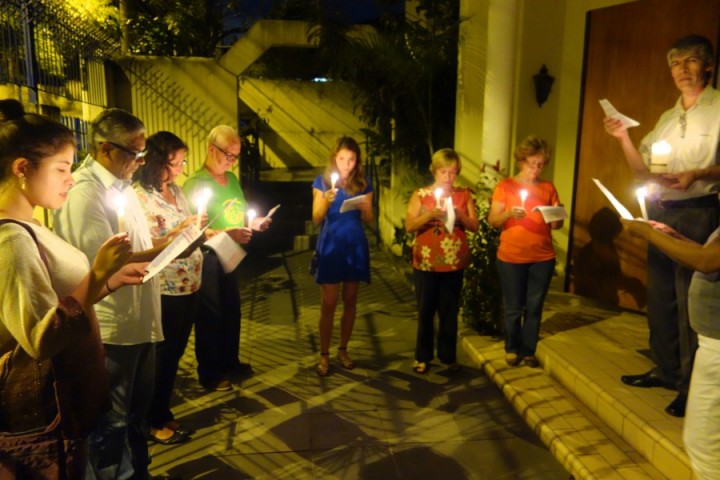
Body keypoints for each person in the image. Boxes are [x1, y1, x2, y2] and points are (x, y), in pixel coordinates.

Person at [0, 100, 145, 477]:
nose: (70, 178)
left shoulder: (31, 224)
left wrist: (109, 281)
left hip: (76, 404)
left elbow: (62, 298)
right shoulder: (12, 240)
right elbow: (40, 337)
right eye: (62, 168)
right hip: (52, 413)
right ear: (21, 169)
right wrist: (96, 275)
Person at [604, 34, 720, 417]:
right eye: (675, 63)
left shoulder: (719, 108)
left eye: (690, 61)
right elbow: (643, 169)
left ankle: (690, 384)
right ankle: (666, 369)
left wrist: (699, 173)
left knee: (689, 301)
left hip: (698, 211)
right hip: (661, 209)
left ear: (706, 65)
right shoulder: (668, 118)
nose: (682, 70)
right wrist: (623, 137)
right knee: (661, 299)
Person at [53, 108, 172, 479]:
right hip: (113, 326)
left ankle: (140, 473)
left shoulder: (123, 188)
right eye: (133, 154)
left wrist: (171, 240)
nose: (139, 162)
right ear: (105, 149)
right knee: (112, 422)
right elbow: (100, 266)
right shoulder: (86, 193)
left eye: (142, 154)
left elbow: (135, 245)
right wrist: (166, 248)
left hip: (140, 319)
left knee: (137, 414)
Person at [622, 218, 720, 480]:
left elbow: (707, 262)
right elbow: (707, 254)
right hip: (712, 342)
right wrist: (674, 237)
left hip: (718, 348)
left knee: (704, 444)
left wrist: (648, 234)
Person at [183, 125, 265, 391]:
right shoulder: (195, 184)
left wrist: (253, 224)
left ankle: (230, 361)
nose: (232, 161)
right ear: (211, 149)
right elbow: (191, 229)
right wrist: (225, 232)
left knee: (231, 309)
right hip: (208, 256)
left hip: (229, 253)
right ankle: (210, 371)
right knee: (210, 314)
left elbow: (238, 214)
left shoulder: (231, 180)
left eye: (235, 156)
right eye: (228, 155)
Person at [134, 131, 203, 445]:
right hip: (166, 286)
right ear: (157, 161)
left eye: (182, 162)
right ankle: (150, 420)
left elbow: (189, 225)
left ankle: (162, 410)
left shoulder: (176, 189)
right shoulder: (139, 197)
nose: (180, 169)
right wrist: (178, 230)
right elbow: (144, 244)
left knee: (175, 353)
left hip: (190, 282)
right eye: (174, 163)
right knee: (162, 354)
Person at [488, 136, 563, 368]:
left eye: (541, 164)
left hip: (542, 257)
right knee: (513, 307)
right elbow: (492, 219)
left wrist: (555, 215)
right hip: (511, 257)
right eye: (532, 163)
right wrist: (509, 213)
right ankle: (512, 348)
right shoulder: (506, 186)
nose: (536, 169)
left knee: (535, 306)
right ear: (521, 161)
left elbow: (556, 225)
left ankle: (528, 349)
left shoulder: (547, 187)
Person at [404, 148, 479, 374]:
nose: (448, 177)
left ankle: (448, 356)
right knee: (426, 309)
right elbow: (409, 225)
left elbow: (474, 226)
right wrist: (429, 215)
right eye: (444, 172)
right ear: (435, 171)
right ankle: (423, 356)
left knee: (449, 309)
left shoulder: (464, 194)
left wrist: (460, 214)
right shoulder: (421, 194)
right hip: (426, 259)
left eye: (453, 172)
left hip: (453, 260)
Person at [311, 136, 374, 376]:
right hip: (331, 245)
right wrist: (326, 203)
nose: (346, 164)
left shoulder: (363, 184)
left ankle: (343, 349)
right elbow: (316, 218)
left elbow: (368, 220)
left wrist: (367, 209)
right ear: (334, 159)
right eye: (341, 159)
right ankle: (324, 353)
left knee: (350, 300)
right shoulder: (323, 182)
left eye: (351, 159)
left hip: (354, 243)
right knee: (328, 303)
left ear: (357, 161)